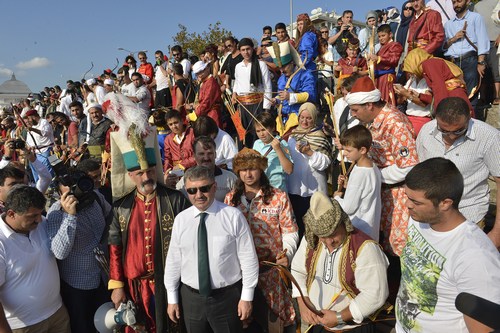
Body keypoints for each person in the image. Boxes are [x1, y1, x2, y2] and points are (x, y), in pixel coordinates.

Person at [395, 158, 500, 333]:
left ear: (445, 203)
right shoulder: (419, 220)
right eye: (407, 197)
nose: (407, 205)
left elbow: (483, 328)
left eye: (416, 202)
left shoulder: (475, 257)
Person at [108, 127, 190, 333]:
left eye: (150, 171)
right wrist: (117, 285)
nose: (146, 177)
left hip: (168, 287)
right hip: (134, 288)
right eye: (140, 173)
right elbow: (115, 249)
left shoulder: (175, 200)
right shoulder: (122, 206)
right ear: (130, 175)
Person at [164, 166, 259, 333]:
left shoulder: (233, 217)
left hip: (227, 298)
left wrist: (247, 297)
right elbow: (173, 261)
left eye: (204, 188)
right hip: (191, 299)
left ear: (214, 187)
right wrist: (172, 298)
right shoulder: (181, 220)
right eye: (192, 190)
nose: (199, 195)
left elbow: (248, 259)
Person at [291, 191, 389, 333]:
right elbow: (297, 270)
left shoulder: (366, 248)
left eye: (333, 234)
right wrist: (302, 302)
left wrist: (340, 317)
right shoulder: (311, 239)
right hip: (319, 326)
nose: (329, 241)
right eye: (323, 237)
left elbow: (375, 294)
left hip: (353, 329)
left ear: (344, 223)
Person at [224, 148, 299, 332]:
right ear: (238, 172)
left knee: (280, 322)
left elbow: (290, 231)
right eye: (243, 169)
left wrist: (287, 253)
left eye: (253, 168)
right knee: (246, 322)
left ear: (261, 169)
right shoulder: (230, 199)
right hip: (240, 276)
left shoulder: (278, 197)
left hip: (271, 272)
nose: (248, 174)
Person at [345, 75, 418, 257]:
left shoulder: (395, 124)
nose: (353, 114)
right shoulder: (370, 120)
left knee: (396, 246)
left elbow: (408, 165)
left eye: (355, 110)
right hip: (380, 191)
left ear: (369, 105)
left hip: (397, 195)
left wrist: (373, 175)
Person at [416, 97, 500, 248]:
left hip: (469, 217)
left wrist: (496, 233)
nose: (451, 136)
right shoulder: (426, 131)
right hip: (430, 219)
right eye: (443, 131)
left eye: (459, 130)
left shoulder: (489, 137)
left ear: (469, 116)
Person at [46, 171, 111, 333]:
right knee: (83, 327)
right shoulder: (56, 213)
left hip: (104, 277)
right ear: (59, 194)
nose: (76, 194)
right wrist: (70, 216)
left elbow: (112, 219)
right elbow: (59, 252)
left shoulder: (95, 198)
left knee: (107, 324)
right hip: (78, 285)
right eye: (69, 192)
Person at [0, 185, 71, 332]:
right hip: (24, 326)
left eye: (40, 214)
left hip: (58, 314)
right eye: (32, 216)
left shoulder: (42, 223)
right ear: (11, 214)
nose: (39, 220)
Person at [288, 102, 332, 237]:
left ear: (314, 118)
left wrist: (310, 153)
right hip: (295, 188)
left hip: (314, 189)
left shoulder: (320, 137)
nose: (305, 121)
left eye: (309, 118)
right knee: (298, 225)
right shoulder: (292, 136)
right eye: (302, 117)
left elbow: (325, 163)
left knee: (316, 224)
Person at [334, 125, 382, 242]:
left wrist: (337, 197)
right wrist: (348, 186)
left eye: (348, 150)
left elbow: (348, 208)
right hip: (370, 229)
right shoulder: (372, 166)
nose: (344, 153)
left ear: (362, 150)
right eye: (344, 149)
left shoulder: (360, 173)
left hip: (359, 231)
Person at [443, 0, 490, 110]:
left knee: (470, 94)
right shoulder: (448, 24)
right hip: (452, 63)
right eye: (454, 2)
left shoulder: (476, 17)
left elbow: (482, 40)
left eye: (459, 1)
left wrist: (481, 62)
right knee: (454, 94)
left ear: (468, 1)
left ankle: (471, 122)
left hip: (470, 60)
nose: (456, 4)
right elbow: (444, 46)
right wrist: (454, 38)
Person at [403, 48, 474, 115]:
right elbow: (436, 95)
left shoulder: (430, 64)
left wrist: (441, 112)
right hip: (452, 97)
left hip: (454, 97)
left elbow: (439, 87)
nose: (412, 74)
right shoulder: (431, 64)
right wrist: (419, 96)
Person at [231, 38, 272, 147]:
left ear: (252, 49)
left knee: (257, 133)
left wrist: (266, 109)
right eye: (243, 50)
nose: (246, 52)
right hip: (242, 106)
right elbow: (237, 82)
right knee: (243, 134)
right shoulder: (238, 66)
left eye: (248, 49)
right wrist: (234, 93)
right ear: (240, 51)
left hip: (257, 105)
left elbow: (267, 86)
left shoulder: (261, 64)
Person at [267, 41, 316, 132]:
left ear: (292, 62)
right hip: (282, 120)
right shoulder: (282, 79)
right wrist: (276, 100)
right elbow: (282, 95)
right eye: (279, 68)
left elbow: (310, 95)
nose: (282, 70)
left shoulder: (305, 75)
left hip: (298, 119)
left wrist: (290, 96)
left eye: (284, 67)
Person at [175, 136, 237, 201]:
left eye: (210, 153)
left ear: (215, 154)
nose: (206, 158)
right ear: (194, 156)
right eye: (201, 154)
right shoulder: (185, 180)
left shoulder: (230, 178)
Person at [252, 112, 293, 191]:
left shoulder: (281, 143)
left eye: (264, 130)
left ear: (273, 128)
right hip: (260, 188)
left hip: (277, 188)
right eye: (258, 131)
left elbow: (289, 170)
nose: (261, 134)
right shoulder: (257, 143)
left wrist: (278, 149)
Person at [368, 24, 403, 106]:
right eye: (379, 36)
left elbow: (394, 60)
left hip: (387, 77)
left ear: (390, 34)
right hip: (378, 78)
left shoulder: (395, 45)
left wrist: (378, 58)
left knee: (386, 100)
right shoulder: (381, 47)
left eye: (383, 35)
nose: (381, 38)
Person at [187, 61, 222, 127]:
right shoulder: (205, 82)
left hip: (212, 114)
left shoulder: (210, 82)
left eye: (201, 71)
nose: (200, 74)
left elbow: (206, 102)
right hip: (207, 114)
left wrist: (194, 115)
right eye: (197, 73)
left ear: (207, 68)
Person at [24, 109, 55, 180]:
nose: (28, 120)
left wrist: (32, 129)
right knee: (38, 173)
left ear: (33, 117)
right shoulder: (33, 126)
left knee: (50, 171)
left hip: (48, 150)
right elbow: (29, 142)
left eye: (29, 118)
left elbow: (45, 133)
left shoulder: (44, 122)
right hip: (36, 153)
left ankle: (53, 187)